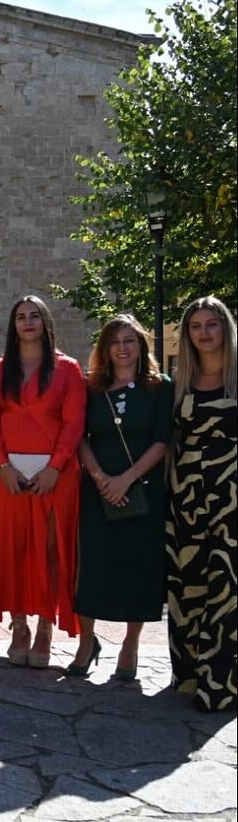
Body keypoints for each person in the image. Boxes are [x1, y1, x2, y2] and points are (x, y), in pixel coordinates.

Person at [0, 295, 86, 668]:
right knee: (15, 548)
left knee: (51, 550)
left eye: (34, 316)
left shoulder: (68, 369)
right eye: (20, 316)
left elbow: (74, 424)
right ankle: (19, 624)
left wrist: (55, 467)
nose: (27, 322)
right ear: (13, 325)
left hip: (55, 478)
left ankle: (44, 626)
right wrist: (2, 465)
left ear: (45, 322)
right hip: (8, 476)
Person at [69, 315, 172, 680]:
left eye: (130, 340)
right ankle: (87, 641)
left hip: (143, 490)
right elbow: (80, 437)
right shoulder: (92, 388)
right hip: (97, 491)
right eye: (115, 342)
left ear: (142, 345)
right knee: (93, 568)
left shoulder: (160, 387)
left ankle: (131, 645)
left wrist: (126, 479)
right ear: (105, 348)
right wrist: (100, 479)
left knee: (139, 570)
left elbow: (162, 440)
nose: (123, 348)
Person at [166, 296, 237, 712]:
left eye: (212, 324)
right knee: (188, 586)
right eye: (195, 326)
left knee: (227, 591)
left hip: (231, 502)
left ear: (225, 327)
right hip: (186, 499)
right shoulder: (181, 383)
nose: (204, 332)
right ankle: (190, 676)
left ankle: (221, 685)